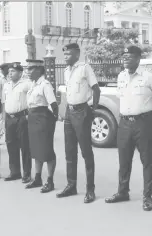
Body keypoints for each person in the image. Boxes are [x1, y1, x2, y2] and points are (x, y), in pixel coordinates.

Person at [104, 46, 152, 211]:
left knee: (147, 161)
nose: (125, 59)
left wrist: (149, 112)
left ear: (138, 59)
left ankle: (147, 196)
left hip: (143, 123)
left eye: (129, 57)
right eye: (124, 56)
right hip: (124, 123)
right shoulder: (121, 76)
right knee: (124, 160)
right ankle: (122, 192)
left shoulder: (148, 76)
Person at [57, 43, 100, 203]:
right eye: (65, 54)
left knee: (86, 152)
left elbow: (96, 89)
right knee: (69, 150)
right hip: (70, 111)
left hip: (82, 111)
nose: (65, 57)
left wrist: (92, 110)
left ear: (76, 54)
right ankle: (71, 185)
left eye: (68, 54)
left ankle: (90, 189)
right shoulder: (66, 70)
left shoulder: (84, 68)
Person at [24, 59, 59, 192]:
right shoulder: (33, 84)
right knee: (36, 149)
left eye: (31, 69)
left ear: (39, 70)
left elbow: (54, 106)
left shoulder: (45, 85)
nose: (28, 72)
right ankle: (38, 178)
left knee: (47, 150)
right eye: (27, 69)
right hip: (33, 118)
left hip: (43, 119)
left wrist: (50, 122)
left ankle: (50, 181)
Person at [2, 62, 32, 183]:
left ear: (20, 73)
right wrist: (4, 118)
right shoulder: (6, 85)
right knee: (11, 145)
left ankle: (26, 173)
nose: (10, 73)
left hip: (21, 118)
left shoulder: (26, 84)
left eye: (13, 71)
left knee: (24, 146)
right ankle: (14, 172)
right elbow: (5, 102)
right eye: (9, 71)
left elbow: (33, 99)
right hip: (9, 118)